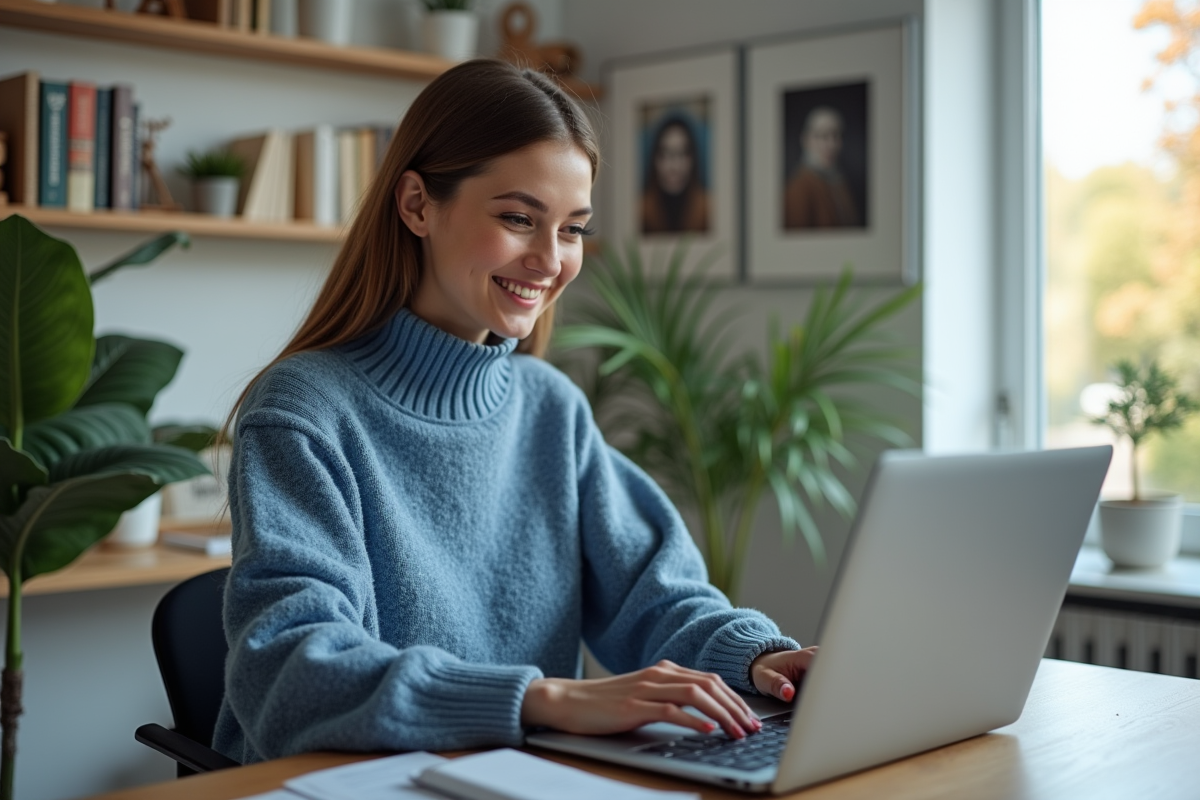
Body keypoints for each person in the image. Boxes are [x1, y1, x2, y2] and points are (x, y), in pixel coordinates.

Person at [212, 59, 816, 765]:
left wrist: (763, 658)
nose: (551, 259)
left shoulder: (549, 407)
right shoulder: (303, 411)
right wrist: (544, 700)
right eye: (519, 219)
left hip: (520, 779)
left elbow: (657, 596)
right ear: (416, 205)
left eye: (572, 230)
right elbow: (291, 673)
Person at [783, 105, 860, 229]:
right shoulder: (798, 188)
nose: (831, 145)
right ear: (806, 140)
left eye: (836, 136)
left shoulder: (839, 182)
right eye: (823, 136)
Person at [640, 115, 709, 234]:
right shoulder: (642, 211)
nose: (674, 167)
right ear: (654, 160)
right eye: (665, 155)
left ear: (693, 159)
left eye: (682, 154)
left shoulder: (706, 210)